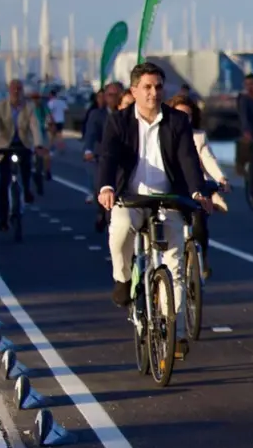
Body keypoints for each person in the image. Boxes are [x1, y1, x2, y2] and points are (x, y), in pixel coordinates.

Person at [97, 62, 212, 360]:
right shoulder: (118, 121)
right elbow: (108, 156)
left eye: (158, 86)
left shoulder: (177, 121)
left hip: (169, 199)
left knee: (174, 262)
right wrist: (106, 187)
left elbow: (188, 158)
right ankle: (122, 280)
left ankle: (176, 333)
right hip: (130, 198)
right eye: (147, 87)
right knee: (119, 232)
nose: (153, 92)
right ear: (134, 90)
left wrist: (197, 191)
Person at [170, 93, 229, 279]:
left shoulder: (198, 137)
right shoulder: (164, 135)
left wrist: (221, 178)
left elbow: (208, 158)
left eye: (187, 115)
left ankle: (201, 258)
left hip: (195, 187)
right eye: (179, 114)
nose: (183, 119)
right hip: (172, 188)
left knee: (199, 224)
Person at [0, 79, 47, 231]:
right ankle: (3, 219)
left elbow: (35, 126)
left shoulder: (29, 107)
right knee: (4, 181)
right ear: (9, 90)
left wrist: (38, 144)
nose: (16, 92)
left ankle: (26, 190)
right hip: (4, 145)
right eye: (14, 89)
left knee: (26, 168)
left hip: (22, 144)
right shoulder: (0, 106)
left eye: (19, 89)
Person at [83, 81, 124, 220]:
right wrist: (88, 150)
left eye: (117, 95)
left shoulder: (127, 114)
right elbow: (91, 134)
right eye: (110, 95)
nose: (114, 98)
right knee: (100, 185)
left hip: (122, 157)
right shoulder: (97, 114)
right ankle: (102, 212)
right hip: (102, 156)